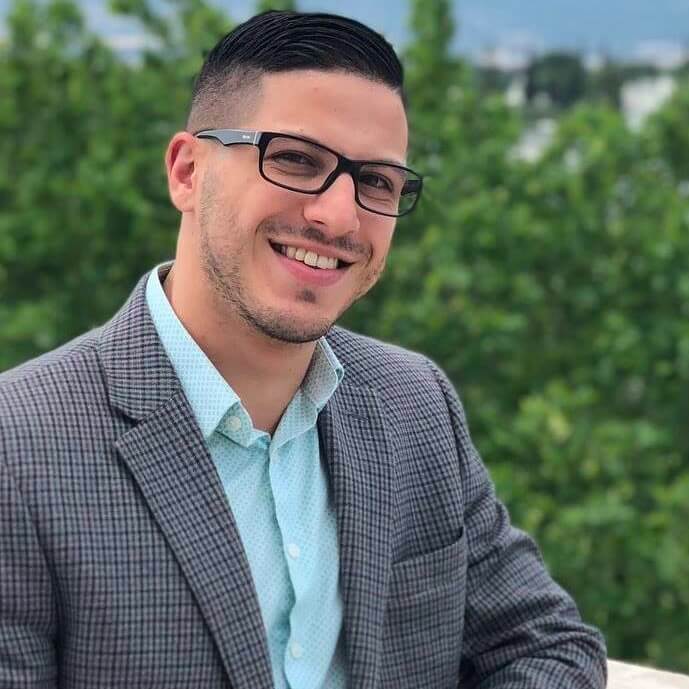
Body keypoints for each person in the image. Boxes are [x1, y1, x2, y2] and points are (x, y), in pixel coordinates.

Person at [0, 10, 607, 689]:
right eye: (294, 159)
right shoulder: (19, 449)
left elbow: (547, 645)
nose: (339, 215)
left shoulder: (415, 406)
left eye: (376, 182)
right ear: (187, 171)